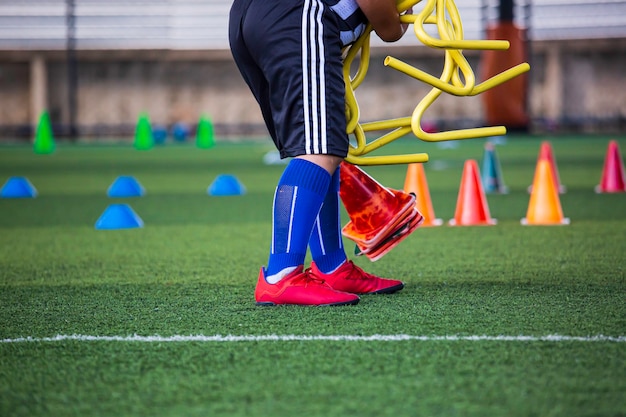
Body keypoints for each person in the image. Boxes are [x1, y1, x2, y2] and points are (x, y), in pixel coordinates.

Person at [228, 0, 411, 306]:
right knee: (317, 149)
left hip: (254, 15)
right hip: (297, 14)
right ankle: (280, 276)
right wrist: (394, 25)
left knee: (320, 146)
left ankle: (331, 265)